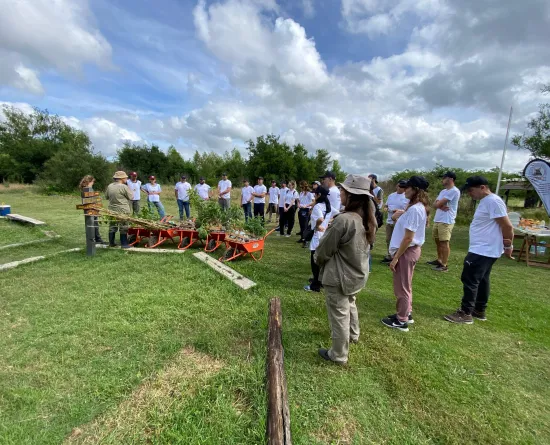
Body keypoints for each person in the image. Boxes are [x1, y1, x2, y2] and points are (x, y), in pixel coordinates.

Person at [316, 174, 376, 364]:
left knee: (339, 313)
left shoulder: (344, 220)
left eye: (343, 190)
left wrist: (318, 260)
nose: (340, 192)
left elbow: (325, 248)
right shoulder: (367, 218)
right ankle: (353, 334)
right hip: (357, 274)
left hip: (340, 276)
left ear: (351, 195)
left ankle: (339, 354)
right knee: (350, 303)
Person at [444, 176, 514, 324]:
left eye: (471, 190)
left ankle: (466, 313)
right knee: (482, 280)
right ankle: (479, 310)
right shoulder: (487, 201)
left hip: (483, 249)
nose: (470, 193)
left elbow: (507, 226)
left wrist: (508, 246)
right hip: (484, 248)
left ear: (482, 187)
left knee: (470, 279)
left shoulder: (493, 201)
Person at [381, 176, 430, 332]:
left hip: (407, 252)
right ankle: (406, 313)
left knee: (402, 287)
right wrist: (397, 217)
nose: (404, 190)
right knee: (405, 285)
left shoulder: (416, 209)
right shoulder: (414, 207)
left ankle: (401, 320)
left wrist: (395, 258)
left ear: (415, 190)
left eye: (408, 187)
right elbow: (404, 229)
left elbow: (409, 238)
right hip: (407, 251)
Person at [427, 171, 461, 272]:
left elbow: (438, 204)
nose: (442, 180)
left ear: (450, 179)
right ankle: (439, 259)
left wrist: (439, 205)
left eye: (444, 178)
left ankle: (444, 265)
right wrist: (440, 205)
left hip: (446, 220)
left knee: (444, 242)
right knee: (437, 241)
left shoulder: (454, 191)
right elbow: (434, 204)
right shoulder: (443, 191)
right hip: (438, 219)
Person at [303, 186, 332, 292]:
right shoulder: (328, 206)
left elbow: (320, 218)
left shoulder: (318, 207)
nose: (314, 196)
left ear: (319, 195)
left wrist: (317, 225)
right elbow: (336, 214)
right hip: (325, 236)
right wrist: (327, 223)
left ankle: (315, 286)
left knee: (314, 262)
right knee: (322, 262)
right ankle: (321, 281)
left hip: (317, 236)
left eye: (315, 194)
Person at [381, 180, 409, 263]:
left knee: (398, 239)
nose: (400, 188)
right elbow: (386, 205)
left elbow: (407, 209)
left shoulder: (406, 197)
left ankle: (397, 257)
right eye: (399, 186)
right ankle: (390, 255)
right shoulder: (391, 195)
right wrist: (386, 208)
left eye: (403, 187)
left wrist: (398, 210)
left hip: (399, 221)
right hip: (390, 220)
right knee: (388, 239)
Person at [105, 171, 133, 249]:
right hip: (123, 209)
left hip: (112, 209)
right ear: (121, 178)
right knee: (124, 226)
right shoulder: (124, 187)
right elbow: (131, 197)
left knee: (112, 225)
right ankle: (124, 244)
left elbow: (106, 197)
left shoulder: (110, 186)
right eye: (125, 177)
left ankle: (111, 242)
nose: (126, 178)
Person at [79, 175, 106, 244]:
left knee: (95, 224)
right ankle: (95, 239)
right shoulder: (87, 189)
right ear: (89, 181)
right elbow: (89, 201)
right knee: (92, 224)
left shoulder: (87, 189)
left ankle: (97, 238)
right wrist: (97, 202)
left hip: (93, 209)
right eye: (93, 181)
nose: (93, 183)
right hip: (90, 210)